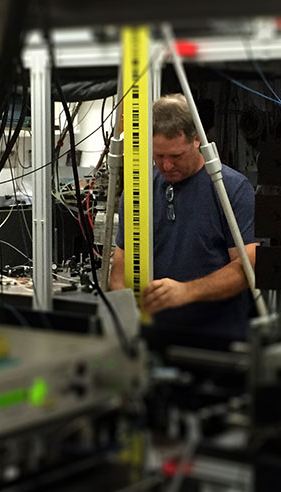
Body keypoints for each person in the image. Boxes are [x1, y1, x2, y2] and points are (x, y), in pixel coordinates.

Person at [110, 94, 258, 335]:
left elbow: (246, 267)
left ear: (197, 140)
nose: (167, 165)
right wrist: (126, 325)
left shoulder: (231, 188)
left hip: (216, 340)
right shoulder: (139, 190)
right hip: (154, 337)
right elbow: (121, 268)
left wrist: (186, 291)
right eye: (159, 156)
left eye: (176, 156)